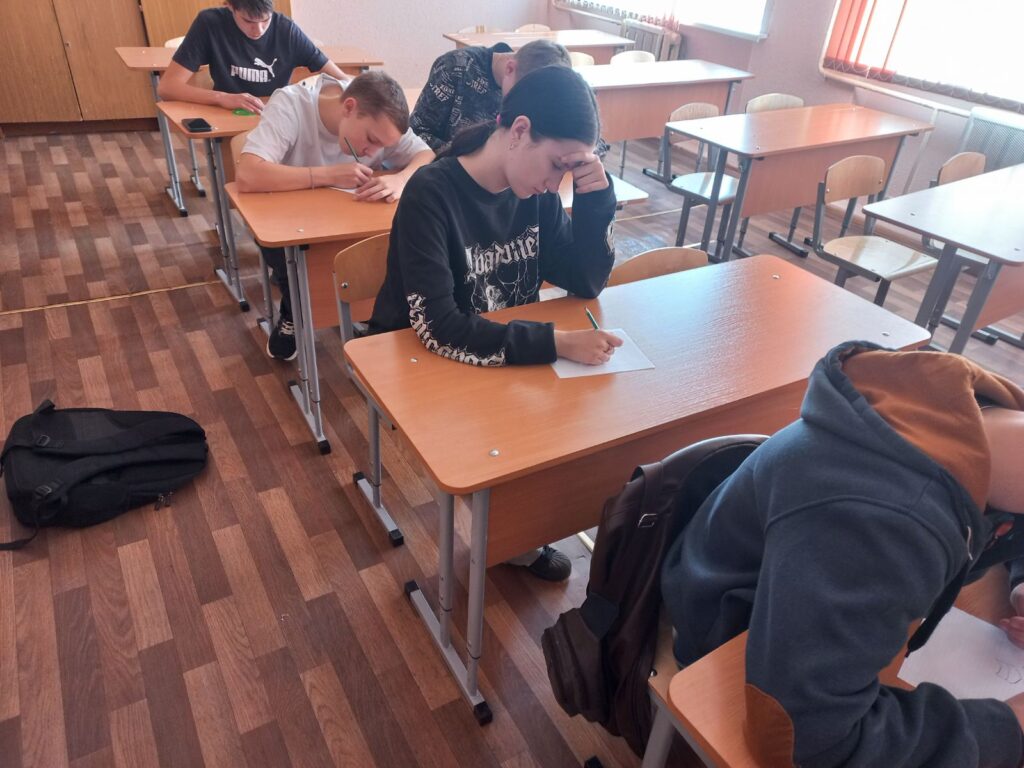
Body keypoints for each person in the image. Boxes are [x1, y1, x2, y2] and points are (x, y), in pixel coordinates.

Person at [661, 340, 1024, 767]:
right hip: (730, 641)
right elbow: (809, 741)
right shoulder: (882, 522)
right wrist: (1009, 729)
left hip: (808, 616)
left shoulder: (981, 414)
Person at [368, 65, 621, 581]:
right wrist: (557, 342)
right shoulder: (432, 193)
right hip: (423, 362)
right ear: (520, 130)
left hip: (498, 353)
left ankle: (516, 530)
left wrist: (596, 201)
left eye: (570, 171)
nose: (555, 183)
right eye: (557, 166)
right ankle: (510, 531)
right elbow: (438, 327)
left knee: (583, 420)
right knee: (536, 419)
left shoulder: (537, 194)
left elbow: (585, 280)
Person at [236, 70, 433, 360]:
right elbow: (248, 174)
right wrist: (327, 175)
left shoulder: (380, 120)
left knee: (390, 246)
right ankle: (294, 310)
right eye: (371, 139)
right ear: (349, 107)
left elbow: (425, 155)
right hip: (289, 225)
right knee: (300, 267)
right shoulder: (291, 105)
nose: (372, 152)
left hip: (345, 220)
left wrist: (401, 179)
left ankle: (368, 312)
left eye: (383, 146)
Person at [157, 0, 350, 113]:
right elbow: (167, 87)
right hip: (228, 115)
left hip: (276, 114)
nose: (258, 30)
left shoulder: (286, 29)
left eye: (266, 20)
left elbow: (342, 79)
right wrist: (222, 98)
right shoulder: (209, 23)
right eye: (248, 21)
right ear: (230, 6)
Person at [410, 39, 571, 153]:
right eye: (521, 96)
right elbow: (416, 133)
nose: (522, 106)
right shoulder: (455, 67)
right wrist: (465, 159)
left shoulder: (538, 90)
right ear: (510, 68)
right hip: (449, 177)